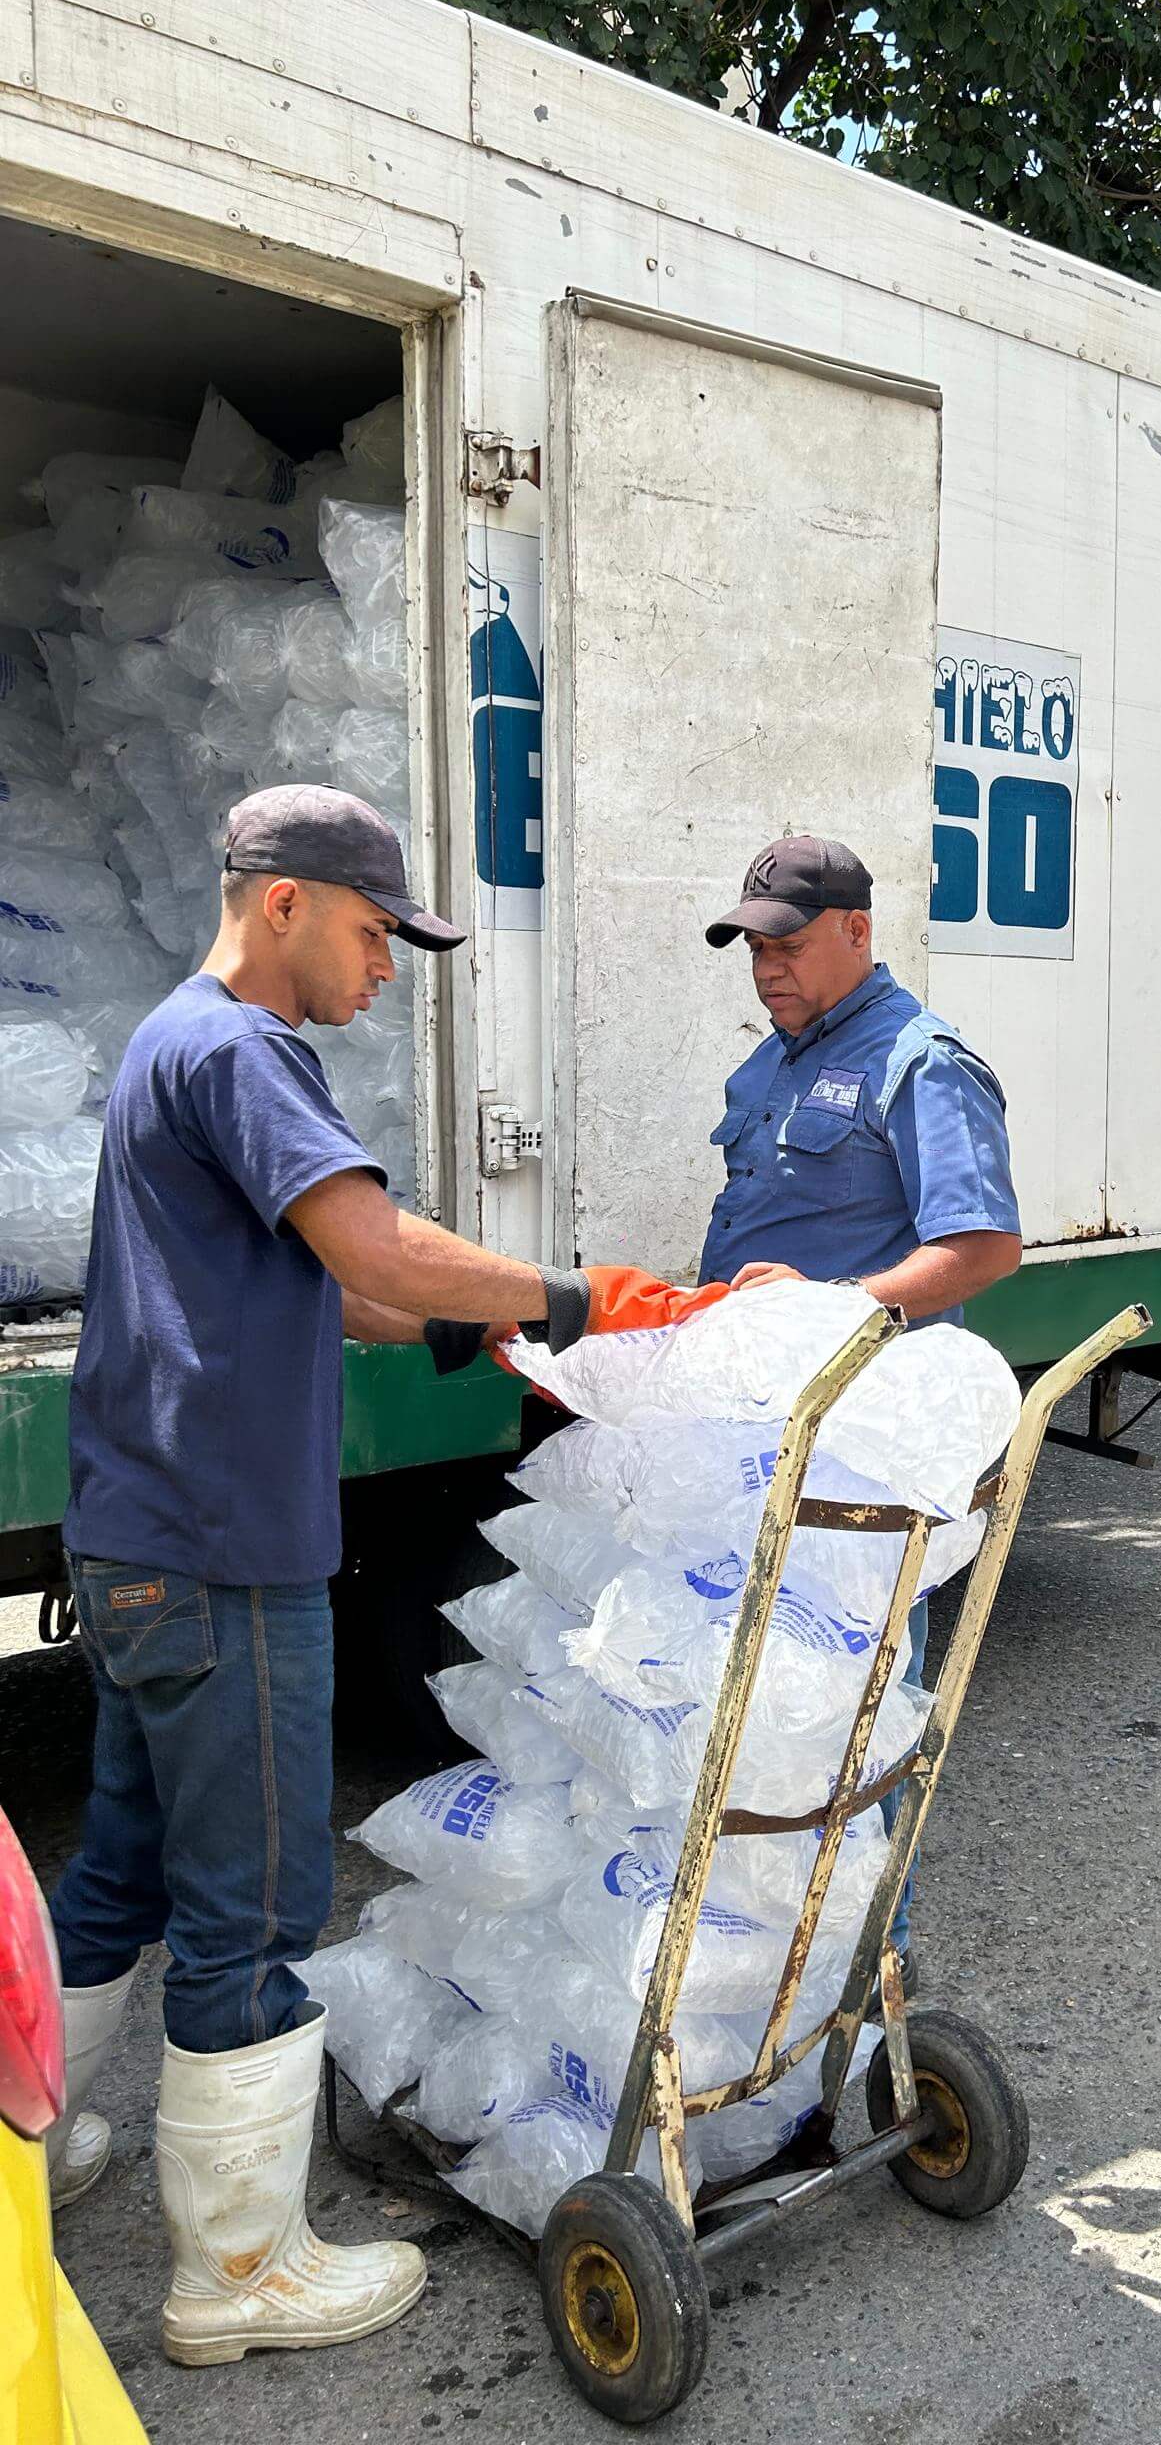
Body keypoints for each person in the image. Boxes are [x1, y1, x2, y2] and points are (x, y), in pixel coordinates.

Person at [44, 784, 683, 2369]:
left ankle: (24, 2156)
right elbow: (380, 1249)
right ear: (280, 905)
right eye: (374, 927)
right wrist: (586, 1291)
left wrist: (498, 1334)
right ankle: (236, 2275)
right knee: (253, 1905)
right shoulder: (245, 1054)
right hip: (222, 1558)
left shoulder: (171, 1045)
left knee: (121, 1878)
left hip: (138, 1546)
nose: (390, 963)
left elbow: (343, 1296)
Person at [699, 835, 1021, 1981]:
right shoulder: (776, 1063)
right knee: (763, 1728)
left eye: (787, 941)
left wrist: (831, 1307)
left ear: (856, 931)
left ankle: (866, 1989)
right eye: (751, 944)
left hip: (865, 1465)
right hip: (764, 1445)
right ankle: (758, 1979)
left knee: (860, 1724)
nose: (766, 965)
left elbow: (982, 1246)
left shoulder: (920, 1060)